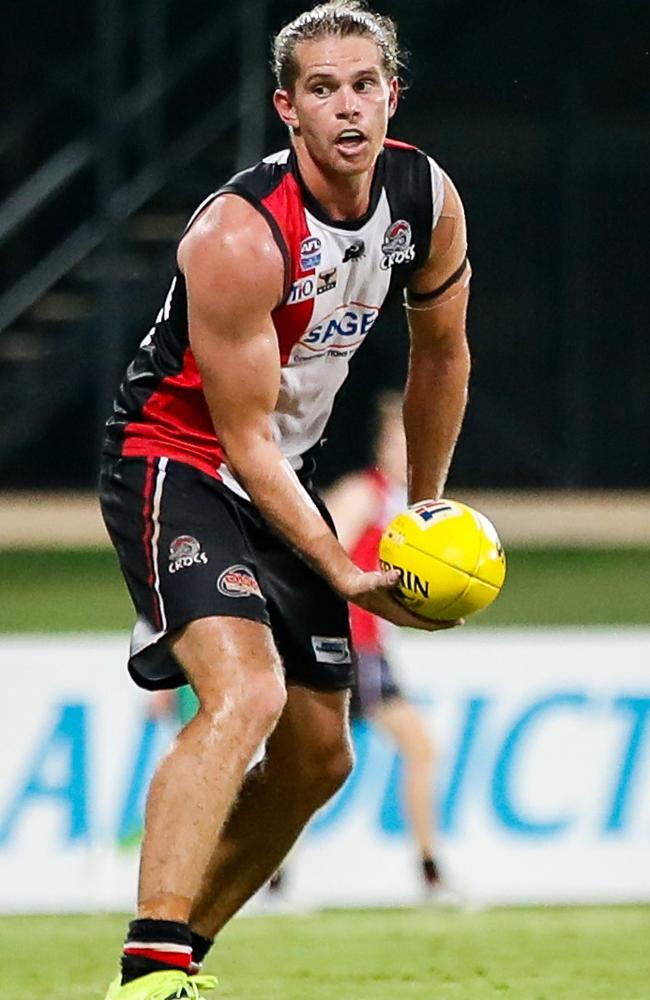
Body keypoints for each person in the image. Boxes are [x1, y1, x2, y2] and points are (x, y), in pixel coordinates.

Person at [98, 2, 471, 997]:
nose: (345, 105)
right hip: (176, 459)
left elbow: (440, 357)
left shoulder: (424, 202)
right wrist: (346, 566)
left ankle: (182, 957)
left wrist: (418, 520)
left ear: (392, 95)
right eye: (320, 88)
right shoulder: (238, 235)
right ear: (286, 110)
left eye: (362, 84)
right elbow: (244, 437)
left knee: (319, 758)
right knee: (248, 691)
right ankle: (150, 969)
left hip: (280, 470)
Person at [326, 391, 443, 895]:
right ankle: (430, 873)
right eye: (398, 441)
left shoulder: (412, 509)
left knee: (322, 766)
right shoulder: (364, 494)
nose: (405, 452)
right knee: (316, 767)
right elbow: (319, 552)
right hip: (347, 646)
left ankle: (430, 872)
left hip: (372, 649)